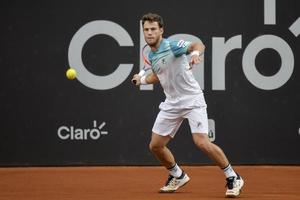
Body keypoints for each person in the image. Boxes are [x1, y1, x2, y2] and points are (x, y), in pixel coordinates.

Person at [132, 13, 244, 198]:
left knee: (202, 143)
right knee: (156, 145)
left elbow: (197, 45)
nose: (150, 33)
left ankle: (233, 176)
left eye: (153, 29)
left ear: (161, 30)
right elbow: (157, 76)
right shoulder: (151, 54)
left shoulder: (172, 46)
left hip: (192, 100)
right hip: (171, 102)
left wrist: (194, 54)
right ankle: (178, 175)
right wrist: (142, 79)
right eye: (146, 30)